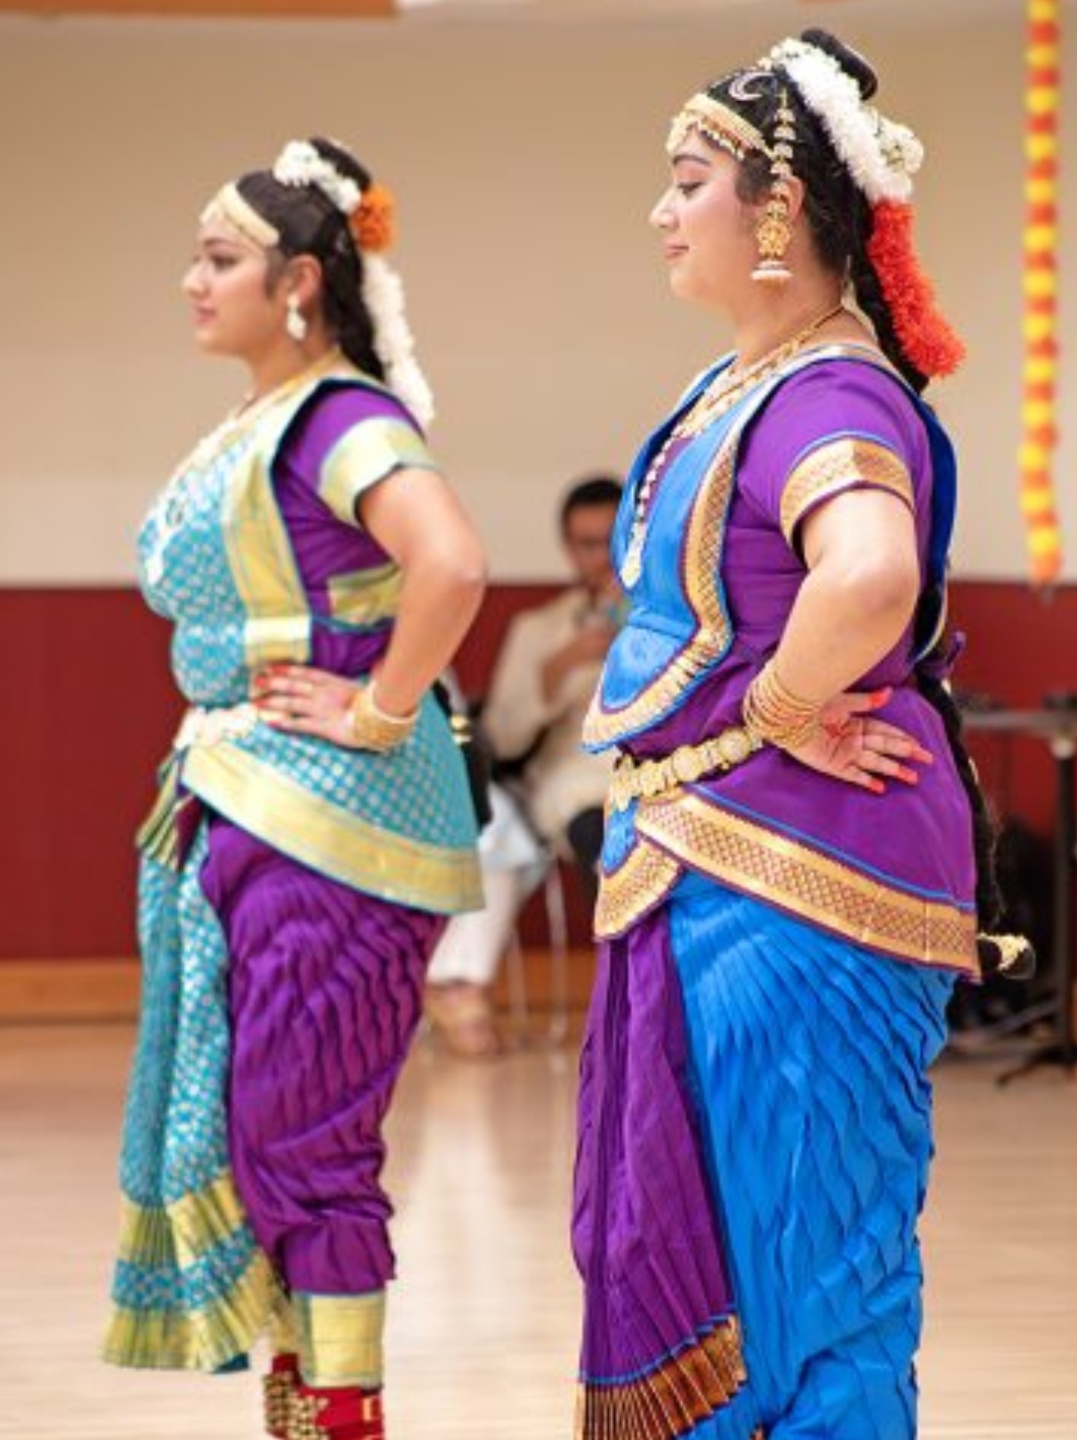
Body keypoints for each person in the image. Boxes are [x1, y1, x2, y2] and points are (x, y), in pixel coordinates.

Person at [571, 30, 1005, 1439]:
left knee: (813, 1270)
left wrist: (778, 708)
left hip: (800, 862)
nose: (659, 208)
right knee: (729, 1251)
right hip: (719, 851)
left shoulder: (828, 390)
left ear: (775, 210)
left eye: (686, 178)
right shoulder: (749, 385)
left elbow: (870, 572)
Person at [109, 138, 486, 1440]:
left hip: (338, 823)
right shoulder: (270, 420)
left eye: (219, 260)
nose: (190, 282)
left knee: (306, 1141)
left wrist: (381, 711)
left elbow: (450, 566)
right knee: (265, 1140)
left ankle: (342, 1417)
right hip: (254, 803)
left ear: (302, 284)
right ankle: (299, 1410)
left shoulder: (342, 421)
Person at [423, 476, 625, 1054]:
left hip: (665, 779)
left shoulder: (677, 615)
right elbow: (505, 740)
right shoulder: (538, 630)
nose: (600, 556)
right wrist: (559, 667)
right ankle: (626, 1007)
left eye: (613, 540)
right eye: (587, 543)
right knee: (604, 838)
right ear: (567, 549)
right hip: (573, 784)